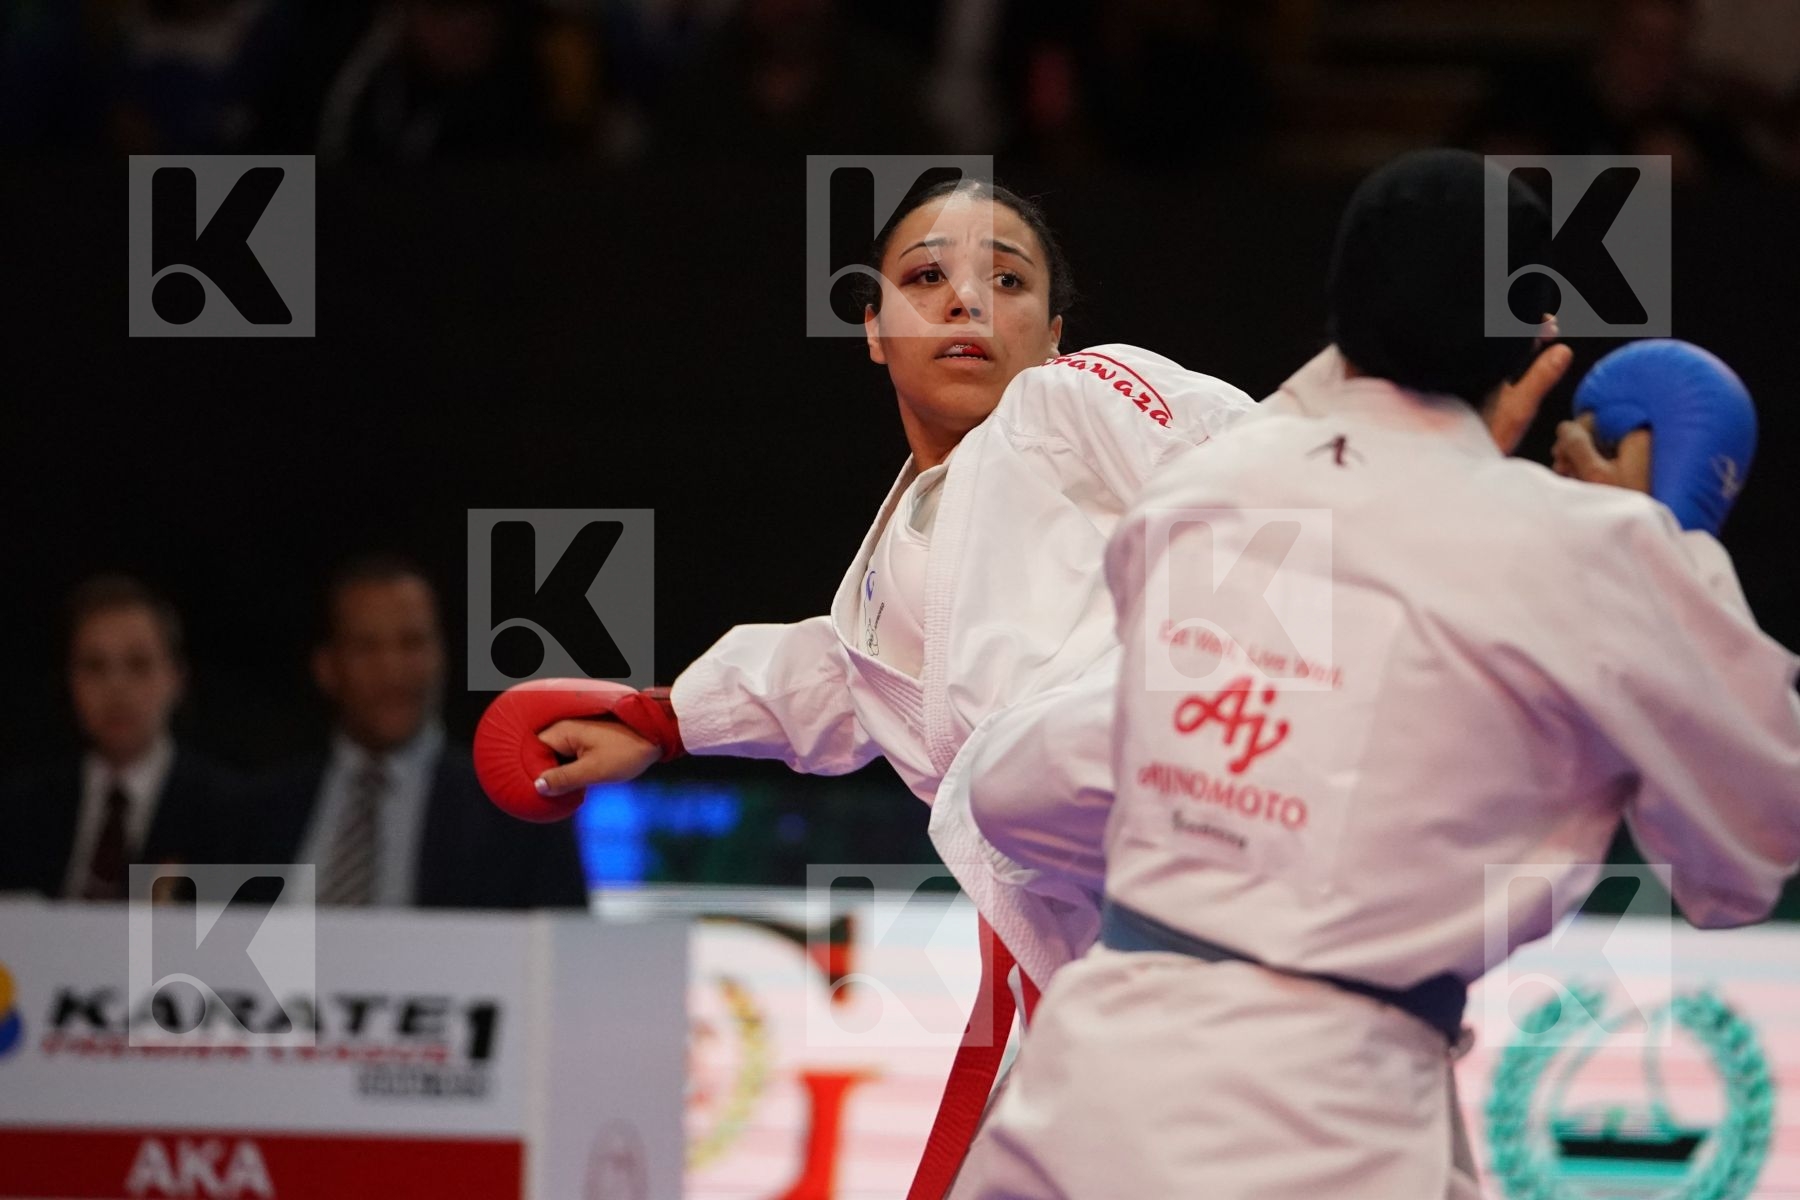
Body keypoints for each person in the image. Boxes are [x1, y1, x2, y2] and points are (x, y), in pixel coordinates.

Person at [952, 149, 1800, 1199]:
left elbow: (1012, 789)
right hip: (1316, 1135)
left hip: (1076, 1101)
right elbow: (1743, 860)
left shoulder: (1194, 495)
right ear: (1540, 353)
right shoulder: (1596, 557)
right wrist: (1678, 545)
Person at [479, 176, 1260, 1194]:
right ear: (874, 330)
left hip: (1220, 943)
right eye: (924, 277)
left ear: (1057, 330)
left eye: (1005, 280)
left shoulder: (1077, 397)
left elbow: (1258, 464)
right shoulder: (893, 571)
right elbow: (832, 681)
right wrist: (659, 721)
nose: (964, 302)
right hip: (1099, 998)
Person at [239, 555, 588, 908]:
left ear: (442, 656)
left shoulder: (521, 820)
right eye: (366, 647)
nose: (392, 671)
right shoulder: (254, 815)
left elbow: (569, 951)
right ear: (327, 668)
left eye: (412, 643)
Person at [0, 575, 240, 899]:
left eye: (138, 665)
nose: (117, 689)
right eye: (95, 667)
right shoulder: (21, 811)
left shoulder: (227, 812)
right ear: (69, 681)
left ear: (176, 678)